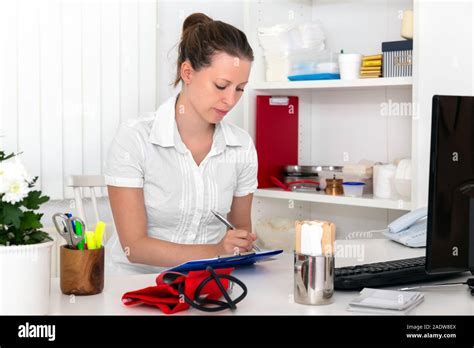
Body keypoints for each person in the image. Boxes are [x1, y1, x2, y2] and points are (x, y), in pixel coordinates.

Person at [104, 13, 258, 275]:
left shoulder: (241, 146)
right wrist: (217, 250)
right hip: (137, 284)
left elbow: (240, 231)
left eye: (240, 88)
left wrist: (240, 244)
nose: (230, 100)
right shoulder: (135, 137)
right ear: (187, 72)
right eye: (221, 85)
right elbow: (135, 248)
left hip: (208, 284)